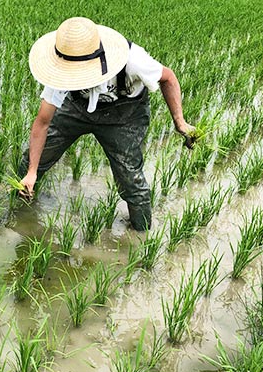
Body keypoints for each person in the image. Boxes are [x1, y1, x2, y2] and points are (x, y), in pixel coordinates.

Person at [17, 17, 195, 231]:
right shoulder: (63, 70)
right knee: (30, 162)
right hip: (76, 108)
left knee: (130, 177)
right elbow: (42, 123)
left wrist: (180, 122)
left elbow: (168, 78)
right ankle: (20, 213)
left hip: (125, 115)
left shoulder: (133, 60)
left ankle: (141, 235)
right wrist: (32, 171)